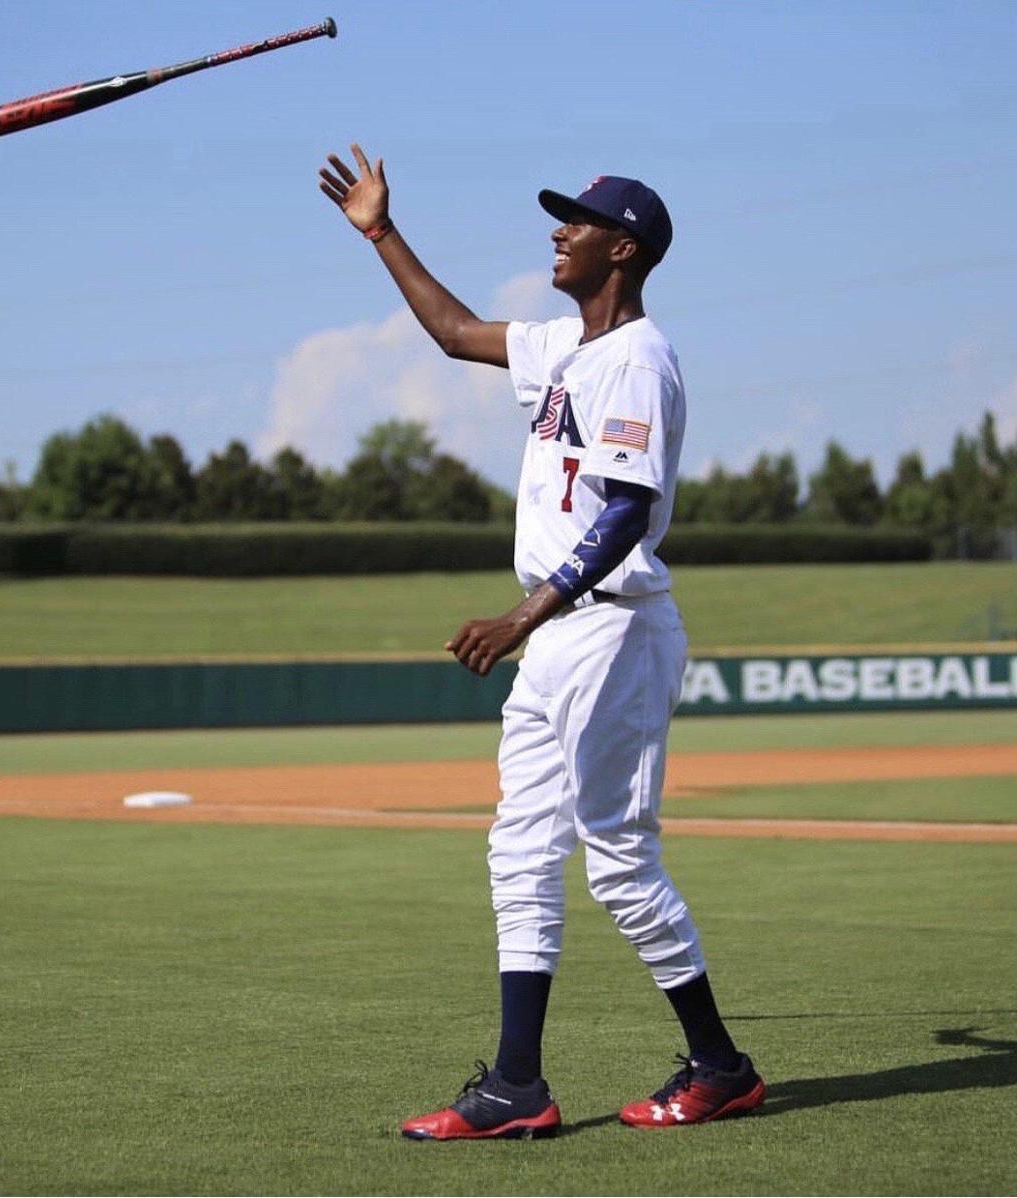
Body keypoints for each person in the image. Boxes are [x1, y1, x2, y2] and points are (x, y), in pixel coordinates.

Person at [319, 145, 765, 1139]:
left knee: (614, 854)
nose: (557, 229)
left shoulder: (640, 358)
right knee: (519, 845)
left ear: (625, 247)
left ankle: (722, 1065)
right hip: (560, 631)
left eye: (578, 220)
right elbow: (450, 331)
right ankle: (518, 1085)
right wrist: (381, 231)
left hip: (606, 627)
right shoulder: (565, 348)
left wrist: (526, 614)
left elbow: (628, 513)